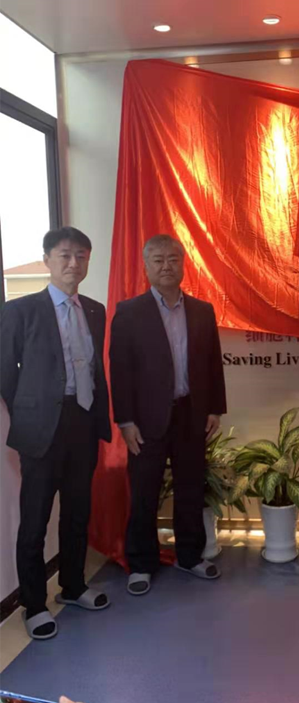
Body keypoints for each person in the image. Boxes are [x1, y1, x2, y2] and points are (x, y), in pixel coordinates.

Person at [0, 227, 111, 641]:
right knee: (35, 519)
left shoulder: (95, 310)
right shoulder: (21, 310)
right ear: (48, 260)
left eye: (81, 256)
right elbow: (5, 371)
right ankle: (33, 605)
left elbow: (95, 368)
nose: (73, 263)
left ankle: (73, 586)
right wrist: (29, 410)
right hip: (42, 428)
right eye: (65, 255)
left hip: (84, 421)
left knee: (78, 510)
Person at [110, 234, 227, 595]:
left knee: (190, 488)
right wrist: (125, 421)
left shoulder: (202, 311)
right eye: (158, 260)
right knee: (144, 492)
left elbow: (213, 364)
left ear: (183, 264)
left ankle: (189, 557)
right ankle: (141, 563)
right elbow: (120, 371)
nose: (166, 266)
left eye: (173, 259)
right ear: (146, 267)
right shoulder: (129, 312)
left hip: (191, 414)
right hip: (146, 421)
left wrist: (215, 408)